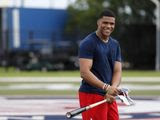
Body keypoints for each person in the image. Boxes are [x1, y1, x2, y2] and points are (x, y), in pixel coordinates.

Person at [78, 9, 122, 120]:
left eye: (112, 23)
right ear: (98, 22)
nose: (108, 26)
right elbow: (84, 72)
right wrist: (107, 87)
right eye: (105, 22)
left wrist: (113, 89)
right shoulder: (88, 43)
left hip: (108, 95)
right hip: (91, 94)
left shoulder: (115, 44)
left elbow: (117, 70)